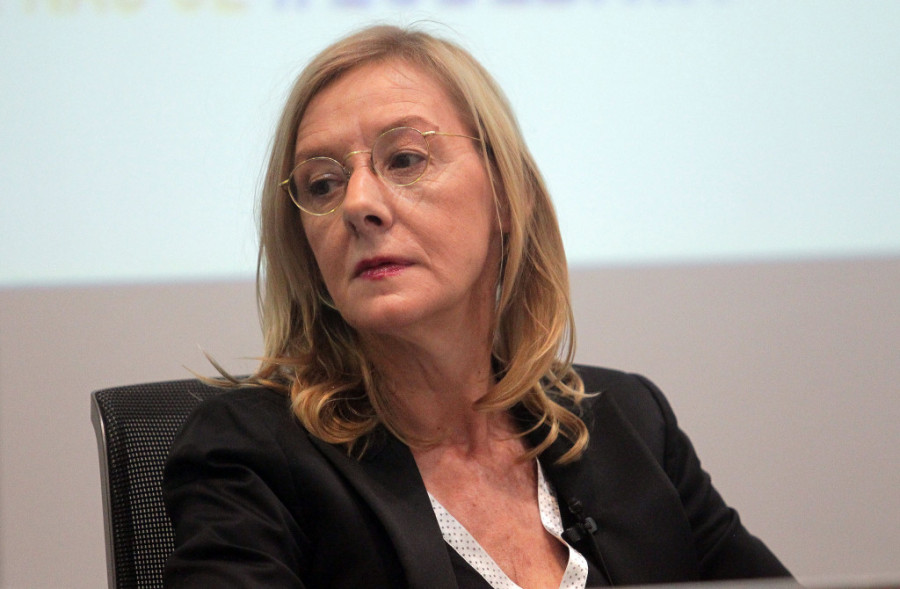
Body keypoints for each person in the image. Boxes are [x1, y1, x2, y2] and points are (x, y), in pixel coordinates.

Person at [162, 24, 791, 588]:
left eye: (404, 159)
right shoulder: (251, 455)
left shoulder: (628, 422)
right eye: (322, 184)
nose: (357, 205)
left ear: (507, 196)